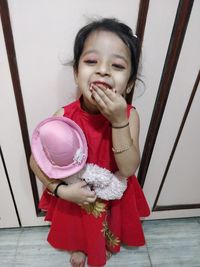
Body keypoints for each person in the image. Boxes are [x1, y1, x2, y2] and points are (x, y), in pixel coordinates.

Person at [30, 17, 150, 267]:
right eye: (91, 61)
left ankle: (102, 242)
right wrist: (62, 191)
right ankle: (81, 246)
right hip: (76, 192)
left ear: (128, 84)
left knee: (104, 222)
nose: (103, 70)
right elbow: (35, 162)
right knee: (77, 223)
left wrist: (118, 122)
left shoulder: (130, 116)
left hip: (110, 193)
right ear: (76, 73)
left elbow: (127, 169)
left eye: (117, 65)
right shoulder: (63, 117)